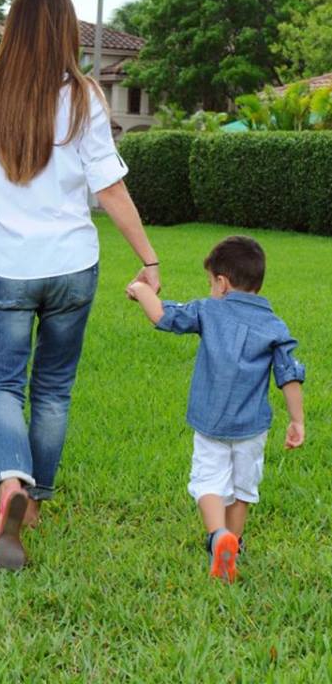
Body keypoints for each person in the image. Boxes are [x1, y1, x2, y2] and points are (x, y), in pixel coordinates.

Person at [0, 0, 160, 570]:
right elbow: (110, 186)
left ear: (12, 27)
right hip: (73, 265)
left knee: (2, 385)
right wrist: (149, 258)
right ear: (67, 32)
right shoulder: (85, 97)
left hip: (6, 268)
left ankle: (11, 489)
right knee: (52, 388)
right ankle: (36, 501)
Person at [127, 235, 305, 583]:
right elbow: (289, 375)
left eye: (210, 283)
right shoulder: (274, 326)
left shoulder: (209, 311)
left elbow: (163, 316)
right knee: (242, 489)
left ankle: (216, 537)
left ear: (222, 284)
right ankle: (234, 544)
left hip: (210, 420)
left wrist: (140, 288)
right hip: (252, 425)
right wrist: (297, 420)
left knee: (208, 480)